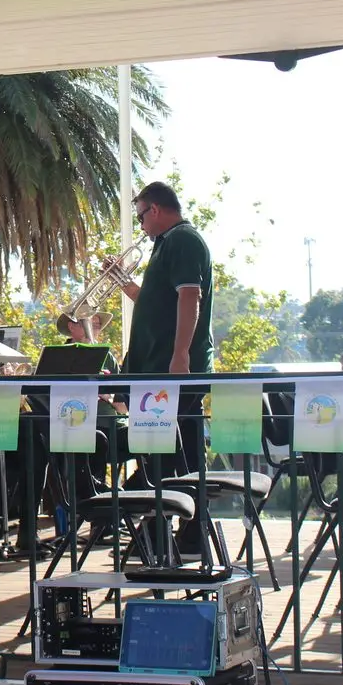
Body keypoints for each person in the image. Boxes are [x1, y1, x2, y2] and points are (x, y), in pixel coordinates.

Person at [117, 180, 214, 478]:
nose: (141, 225)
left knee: (175, 455)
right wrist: (122, 280)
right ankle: (182, 519)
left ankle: (188, 517)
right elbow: (155, 303)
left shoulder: (182, 239)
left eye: (141, 217)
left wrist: (180, 354)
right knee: (165, 454)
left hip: (170, 369)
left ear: (155, 209)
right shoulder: (166, 243)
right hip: (155, 367)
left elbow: (189, 296)